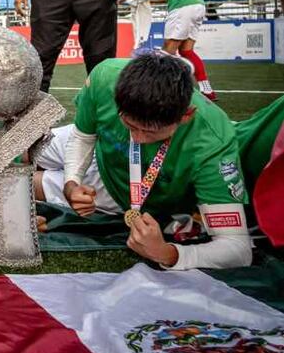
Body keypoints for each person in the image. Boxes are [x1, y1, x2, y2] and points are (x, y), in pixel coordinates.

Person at [34, 53, 251, 270]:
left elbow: (237, 248)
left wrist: (169, 254)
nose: (138, 138)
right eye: (130, 125)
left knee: (32, 184)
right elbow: (82, 137)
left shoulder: (213, 143)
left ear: (186, 116)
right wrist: (72, 182)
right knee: (22, 149)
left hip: (124, 189)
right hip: (100, 141)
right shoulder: (105, 77)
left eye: (151, 132)